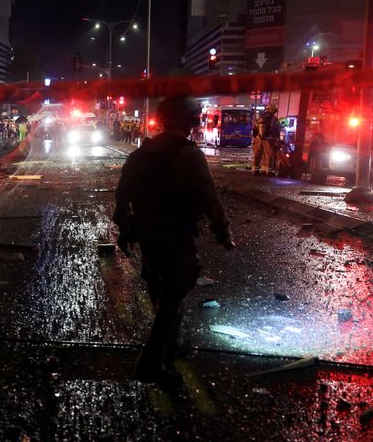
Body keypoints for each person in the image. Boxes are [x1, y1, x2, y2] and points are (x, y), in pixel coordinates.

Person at [113, 94, 234, 388]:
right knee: (173, 296)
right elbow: (209, 198)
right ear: (189, 121)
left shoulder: (141, 153)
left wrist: (126, 230)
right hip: (176, 234)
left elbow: (121, 198)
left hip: (148, 236)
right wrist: (223, 232)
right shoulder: (188, 154)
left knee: (162, 292)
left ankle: (170, 349)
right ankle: (151, 364)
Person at [254, 105, 282, 176]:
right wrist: (278, 140)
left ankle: (256, 171)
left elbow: (255, 128)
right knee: (269, 156)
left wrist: (256, 138)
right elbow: (277, 130)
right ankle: (268, 172)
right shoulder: (274, 119)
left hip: (258, 140)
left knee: (257, 155)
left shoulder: (260, 118)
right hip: (269, 140)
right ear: (272, 110)